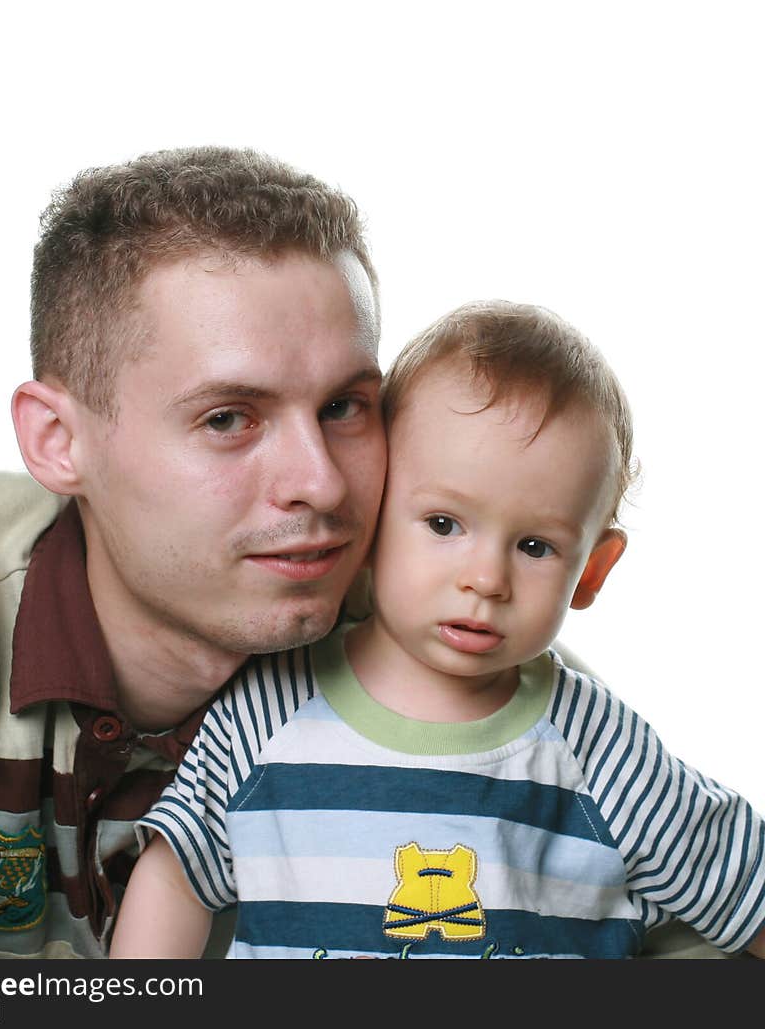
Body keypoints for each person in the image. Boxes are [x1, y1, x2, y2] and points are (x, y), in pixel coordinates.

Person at [111, 300, 765, 960]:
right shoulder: (270, 709)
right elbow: (177, 877)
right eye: (445, 525)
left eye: (535, 546)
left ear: (592, 570)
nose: (486, 579)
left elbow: (746, 886)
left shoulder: (601, 752)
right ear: (368, 517)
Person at [0, 145, 388, 958]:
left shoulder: (430, 627)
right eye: (228, 417)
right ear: (58, 441)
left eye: (345, 407)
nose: (322, 486)